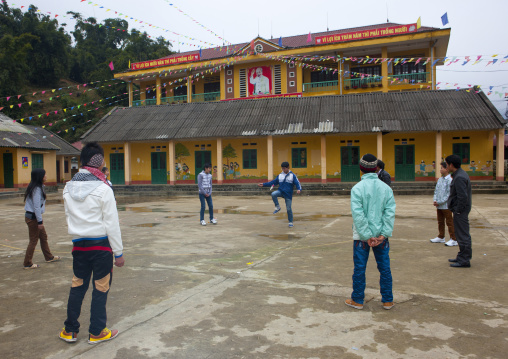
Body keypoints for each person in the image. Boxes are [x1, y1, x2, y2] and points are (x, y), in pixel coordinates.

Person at [59, 142, 125, 344]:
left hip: (79, 246)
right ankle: (97, 331)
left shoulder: (68, 188)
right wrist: (119, 252)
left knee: (77, 286)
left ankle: (70, 330)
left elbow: (70, 216)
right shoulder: (104, 189)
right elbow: (111, 223)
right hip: (101, 247)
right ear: (100, 161)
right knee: (100, 288)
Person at [345, 154, 396, 310]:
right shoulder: (386, 188)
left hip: (362, 237)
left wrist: (367, 235)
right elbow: (390, 212)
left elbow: (358, 215)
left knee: (360, 268)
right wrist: (383, 234)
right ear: (376, 168)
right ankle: (387, 300)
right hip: (381, 237)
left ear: (361, 169)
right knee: (384, 267)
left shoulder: (357, 188)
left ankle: (358, 300)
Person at [23, 168, 60, 269]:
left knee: (43, 237)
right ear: (40, 176)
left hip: (34, 217)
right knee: (33, 240)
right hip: (33, 218)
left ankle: (49, 257)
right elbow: (36, 207)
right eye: (45, 175)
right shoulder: (36, 189)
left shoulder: (38, 187)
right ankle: (27, 263)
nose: (46, 176)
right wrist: (39, 221)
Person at [446, 154, 472, 268]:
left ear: (451, 165)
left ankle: (464, 260)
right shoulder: (458, 175)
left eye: (447, 164)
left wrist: (458, 210)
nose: (446, 166)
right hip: (459, 210)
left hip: (461, 211)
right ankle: (461, 256)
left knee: (463, 235)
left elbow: (462, 197)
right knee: (460, 234)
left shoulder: (459, 177)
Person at [258, 161, 302, 228]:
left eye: (284, 168)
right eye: (282, 168)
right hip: (280, 191)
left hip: (288, 194)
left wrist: (299, 189)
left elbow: (297, 183)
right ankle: (277, 207)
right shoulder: (280, 175)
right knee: (273, 194)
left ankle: (290, 222)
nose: (283, 170)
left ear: (288, 167)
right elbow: (273, 182)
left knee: (289, 209)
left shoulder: (292, 176)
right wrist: (263, 184)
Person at [430, 162, 456, 246]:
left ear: (446, 169)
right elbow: (436, 191)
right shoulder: (440, 179)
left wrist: (440, 201)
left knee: (449, 222)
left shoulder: (450, 180)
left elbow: (449, 194)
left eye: (442, 168)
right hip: (439, 205)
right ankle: (441, 236)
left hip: (446, 205)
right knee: (440, 221)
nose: (440, 169)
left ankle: (454, 238)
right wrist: (435, 200)